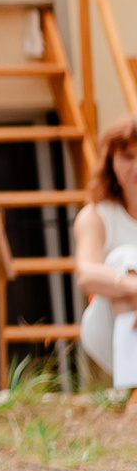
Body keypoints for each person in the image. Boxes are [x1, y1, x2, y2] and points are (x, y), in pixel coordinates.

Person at [75, 115, 137, 383]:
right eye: (128, 156)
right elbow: (87, 276)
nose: (136, 167)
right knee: (126, 259)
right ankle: (130, 385)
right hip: (106, 328)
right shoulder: (96, 216)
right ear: (111, 163)